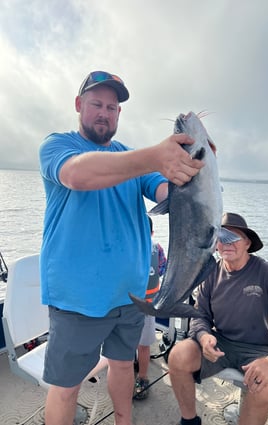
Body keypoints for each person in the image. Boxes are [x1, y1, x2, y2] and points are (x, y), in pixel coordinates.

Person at [39, 70, 204, 425]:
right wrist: (154, 156)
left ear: (119, 114)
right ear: (79, 105)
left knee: (122, 365)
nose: (105, 112)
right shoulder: (57, 146)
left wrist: (195, 168)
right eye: (97, 104)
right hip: (77, 298)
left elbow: (169, 193)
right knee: (66, 386)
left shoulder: (132, 158)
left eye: (112, 107)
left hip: (130, 297)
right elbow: (78, 176)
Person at [168, 212, 268, 425]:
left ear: (248, 243)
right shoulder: (210, 272)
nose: (226, 243)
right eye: (220, 238)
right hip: (220, 342)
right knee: (178, 355)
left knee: (264, 383)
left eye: (233, 237)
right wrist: (202, 336)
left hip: (259, 350)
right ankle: (189, 420)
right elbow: (200, 314)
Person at [134, 216, 167, 399]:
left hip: (129, 306)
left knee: (129, 343)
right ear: (152, 233)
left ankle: (138, 371)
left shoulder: (124, 248)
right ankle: (143, 378)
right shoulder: (158, 249)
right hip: (148, 306)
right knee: (144, 345)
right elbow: (162, 270)